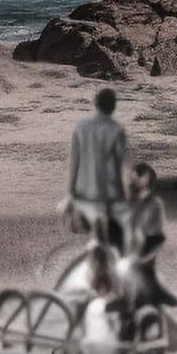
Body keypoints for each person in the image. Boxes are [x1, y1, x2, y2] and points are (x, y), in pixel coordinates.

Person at [64, 86, 129, 242]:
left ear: (96, 104)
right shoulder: (116, 129)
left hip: (84, 191)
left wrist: (71, 191)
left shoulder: (81, 128)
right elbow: (122, 165)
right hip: (109, 193)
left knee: (93, 232)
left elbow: (75, 162)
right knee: (114, 237)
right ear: (113, 106)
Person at [124, 162, 177, 310]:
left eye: (141, 176)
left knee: (142, 270)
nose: (135, 179)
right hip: (129, 244)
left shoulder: (154, 204)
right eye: (135, 176)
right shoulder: (127, 202)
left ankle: (148, 297)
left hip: (147, 244)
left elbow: (156, 237)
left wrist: (145, 255)